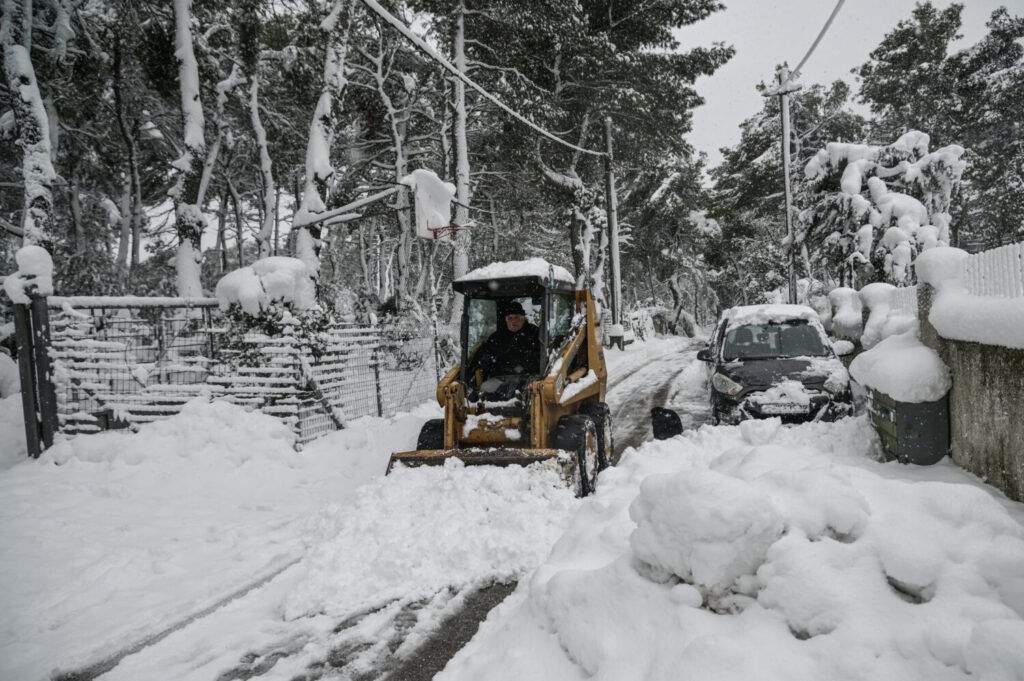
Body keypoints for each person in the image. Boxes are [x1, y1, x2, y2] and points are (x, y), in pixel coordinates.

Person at [472, 301, 542, 380]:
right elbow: (487, 356)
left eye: (517, 317)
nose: (514, 321)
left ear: (523, 318)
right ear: (506, 320)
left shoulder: (535, 334)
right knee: (485, 388)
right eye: (510, 318)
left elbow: (540, 358)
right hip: (500, 378)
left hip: (529, 379)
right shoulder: (496, 337)